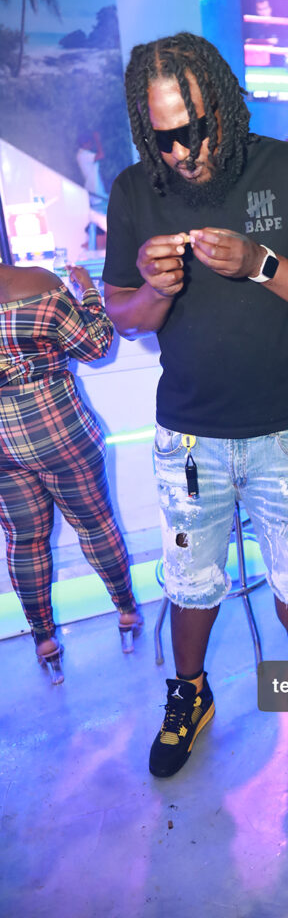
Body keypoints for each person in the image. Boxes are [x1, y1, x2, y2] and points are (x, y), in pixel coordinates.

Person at [102, 33, 288, 777]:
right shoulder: (135, 190)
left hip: (286, 430)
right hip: (190, 436)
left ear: (222, 102)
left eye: (193, 129)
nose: (182, 152)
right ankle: (190, 693)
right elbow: (123, 315)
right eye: (164, 137)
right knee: (190, 582)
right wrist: (155, 288)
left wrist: (260, 263)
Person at [0, 261, 142, 684]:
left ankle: (44, 641)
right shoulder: (37, 283)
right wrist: (90, 291)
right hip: (59, 429)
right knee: (96, 525)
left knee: (24, 542)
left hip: (2, 445)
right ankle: (127, 613)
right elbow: (96, 346)